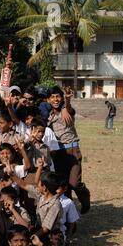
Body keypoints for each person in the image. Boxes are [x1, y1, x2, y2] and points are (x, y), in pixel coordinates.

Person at [47, 86, 90, 214]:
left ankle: (85, 198)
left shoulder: (66, 110)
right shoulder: (48, 115)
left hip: (72, 150)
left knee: (74, 184)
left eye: (58, 96)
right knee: (64, 187)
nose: (56, 99)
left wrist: (67, 100)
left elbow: (69, 108)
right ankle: (70, 216)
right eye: (53, 97)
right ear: (48, 99)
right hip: (57, 154)